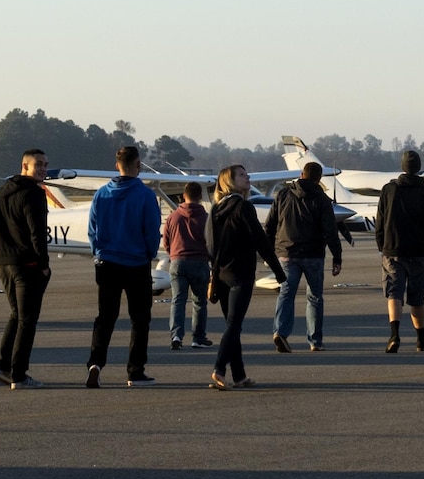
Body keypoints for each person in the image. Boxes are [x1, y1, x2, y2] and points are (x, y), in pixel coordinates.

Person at [85, 143, 162, 388]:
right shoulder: (146, 195)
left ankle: (95, 363)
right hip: (136, 262)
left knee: (105, 317)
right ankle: (135, 370)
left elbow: (92, 230)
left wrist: (98, 252)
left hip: (107, 262)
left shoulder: (101, 194)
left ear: (116, 165)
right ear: (138, 164)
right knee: (140, 319)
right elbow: (152, 231)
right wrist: (150, 253)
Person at [206, 164, 285, 389]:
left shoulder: (215, 208)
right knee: (234, 325)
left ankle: (239, 375)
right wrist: (278, 271)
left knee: (232, 325)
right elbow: (260, 240)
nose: (247, 177)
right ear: (229, 181)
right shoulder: (243, 207)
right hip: (241, 273)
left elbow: (210, 244)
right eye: (242, 175)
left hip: (220, 273)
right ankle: (219, 369)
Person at [0, 148, 52, 387]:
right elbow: (38, 232)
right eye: (39, 165)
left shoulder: (1, 192)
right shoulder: (34, 194)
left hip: (4, 263)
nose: (43, 169)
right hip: (26, 265)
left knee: (17, 315)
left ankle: (2, 366)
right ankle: (19, 374)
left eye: (46, 164)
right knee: (27, 320)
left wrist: (1, 256)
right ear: (24, 166)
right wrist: (43, 265)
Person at [266, 161, 343, 352]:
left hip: (286, 253)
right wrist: (337, 256)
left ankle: (280, 332)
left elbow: (270, 225)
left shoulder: (283, 195)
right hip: (313, 255)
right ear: (318, 179)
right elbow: (330, 231)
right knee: (315, 297)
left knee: (286, 294)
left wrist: (269, 251)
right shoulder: (322, 199)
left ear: (301, 174)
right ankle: (315, 341)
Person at [374, 149, 424, 353]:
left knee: (394, 292)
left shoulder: (388, 190)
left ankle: (394, 334)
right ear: (419, 167)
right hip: (420, 250)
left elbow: (380, 221)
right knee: (417, 295)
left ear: (403, 167)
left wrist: (382, 245)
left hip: (392, 248)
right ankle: (421, 338)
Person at [163, 181, 214, 350]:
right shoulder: (206, 218)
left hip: (178, 262)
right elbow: (211, 243)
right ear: (200, 197)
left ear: (184, 195)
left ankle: (176, 335)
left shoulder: (173, 217)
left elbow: (166, 242)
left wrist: (173, 254)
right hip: (199, 263)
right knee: (199, 302)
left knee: (178, 301)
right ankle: (198, 338)